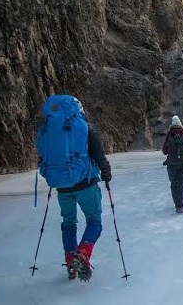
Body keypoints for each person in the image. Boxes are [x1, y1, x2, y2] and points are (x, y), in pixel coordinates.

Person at [36, 95, 112, 282]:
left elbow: (42, 155)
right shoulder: (85, 128)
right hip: (85, 183)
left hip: (61, 187)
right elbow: (99, 154)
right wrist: (106, 172)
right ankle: (83, 252)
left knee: (68, 222)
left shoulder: (47, 128)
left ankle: (71, 258)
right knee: (94, 220)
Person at [162, 115, 183, 214]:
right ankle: (180, 205)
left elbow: (164, 151)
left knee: (174, 183)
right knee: (182, 184)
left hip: (172, 164)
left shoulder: (169, 134)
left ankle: (177, 204)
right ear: (180, 124)